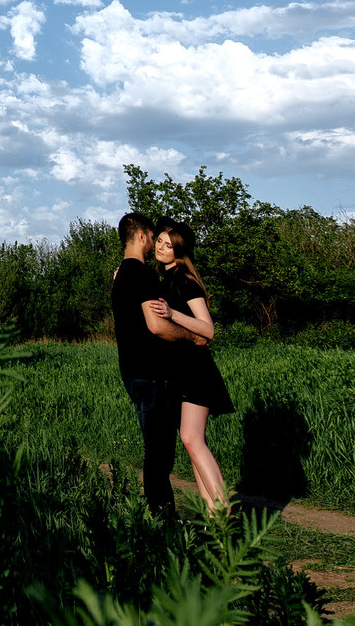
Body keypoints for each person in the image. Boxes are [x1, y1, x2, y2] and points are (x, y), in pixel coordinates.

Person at [110, 210, 197, 516]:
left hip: (134, 373)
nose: (155, 244)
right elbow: (157, 326)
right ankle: (162, 523)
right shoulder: (142, 274)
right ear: (143, 236)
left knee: (155, 450)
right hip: (153, 375)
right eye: (153, 237)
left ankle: (160, 519)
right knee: (159, 454)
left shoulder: (122, 276)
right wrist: (191, 335)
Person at [154, 222, 234, 511]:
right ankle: (214, 521)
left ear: (180, 251)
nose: (160, 248)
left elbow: (208, 329)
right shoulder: (166, 280)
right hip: (180, 371)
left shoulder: (185, 281)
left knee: (191, 439)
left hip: (197, 371)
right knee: (191, 443)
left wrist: (173, 313)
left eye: (168, 245)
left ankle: (224, 515)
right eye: (159, 242)